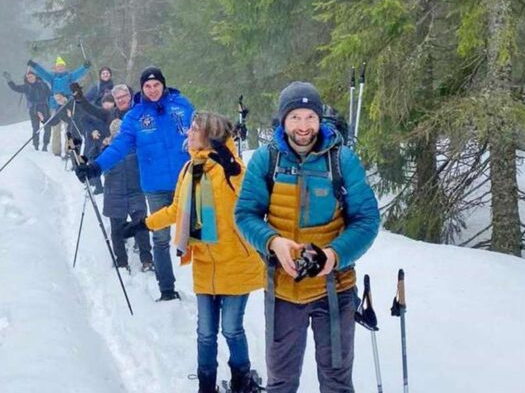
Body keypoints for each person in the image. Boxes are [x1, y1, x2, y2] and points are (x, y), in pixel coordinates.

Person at [233, 82, 380, 393]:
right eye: (295, 117)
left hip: (335, 289)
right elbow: (244, 214)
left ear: (319, 119)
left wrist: (333, 255)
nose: (303, 126)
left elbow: (367, 220)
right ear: (284, 120)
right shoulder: (266, 159)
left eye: (309, 117)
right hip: (283, 288)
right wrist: (273, 241)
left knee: (337, 383)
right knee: (281, 382)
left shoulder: (343, 160)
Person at [122, 112, 263, 392]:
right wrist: (143, 225)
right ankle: (206, 385)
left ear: (211, 135)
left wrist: (232, 167)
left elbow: (253, 206)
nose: (189, 132)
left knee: (232, 329)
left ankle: (242, 382)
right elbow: (178, 209)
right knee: (206, 334)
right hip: (205, 262)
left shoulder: (232, 169)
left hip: (235, 261)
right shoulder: (190, 169)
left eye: (196, 129)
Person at [75, 66, 195, 302]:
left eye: (156, 85)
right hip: (156, 187)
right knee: (160, 237)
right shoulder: (135, 117)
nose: (152, 90)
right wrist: (96, 167)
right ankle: (167, 289)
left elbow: (204, 133)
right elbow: (119, 147)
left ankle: (207, 288)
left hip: (187, 181)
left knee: (198, 233)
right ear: (141, 89)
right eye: (147, 86)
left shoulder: (182, 106)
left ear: (164, 84)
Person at [101, 118, 154, 272]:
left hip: (130, 194)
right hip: (118, 196)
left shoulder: (134, 148)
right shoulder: (108, 151)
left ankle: (134, 261)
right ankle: (132, 261)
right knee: (127, 229)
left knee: (134, 228)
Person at [28, 56, 91, 156]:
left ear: (65, 67)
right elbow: (43, 73)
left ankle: (68, 150)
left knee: (69, 128)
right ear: (56, 68)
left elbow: (79, 72)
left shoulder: (70, 76)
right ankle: (56, 150)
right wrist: (34, 65)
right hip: (56, 105)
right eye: (58, 66)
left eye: (62, 66)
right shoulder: (53, 77)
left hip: (68, 104)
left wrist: (85, 66)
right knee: (56, 128)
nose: (60, 68)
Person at [2, 70, 51, 151]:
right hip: (33, 109)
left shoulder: (43, 85)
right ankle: (36, 145)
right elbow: (15, 88)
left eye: (31, 76)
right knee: (35, 128)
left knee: (47, 127)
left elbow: (50, 95)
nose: (30, 78)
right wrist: (9, 80)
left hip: (44, 107)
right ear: (26, 79)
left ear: (35, 76)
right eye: (28, 77)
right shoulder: (26, 87)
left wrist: (52, 104)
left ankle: (45, 144)